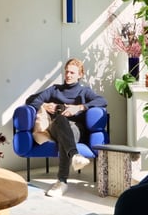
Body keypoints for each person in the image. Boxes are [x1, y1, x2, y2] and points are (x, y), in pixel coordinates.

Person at [29, 58, 107, 197]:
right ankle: (75, 155)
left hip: (76, 129)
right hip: (56, 126)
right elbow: (30, 99)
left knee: (65, 137)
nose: (68, 75)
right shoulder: (55, 90)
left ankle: (62, 182)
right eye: (66, 72)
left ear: (80, 75)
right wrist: (44, 105)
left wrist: (79, 107)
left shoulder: (84, 91)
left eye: (72, 72)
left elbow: (102, 101)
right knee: (61, 119)